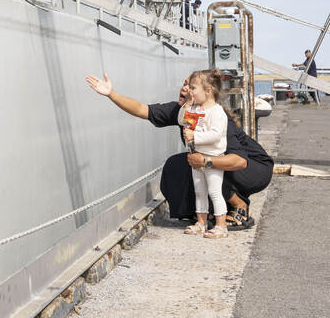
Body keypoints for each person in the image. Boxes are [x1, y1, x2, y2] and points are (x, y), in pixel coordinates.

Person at [85, 72, 273, 231]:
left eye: (191, 86)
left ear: (206, 93)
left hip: (255, 168)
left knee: (200, 167)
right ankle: (202, 215)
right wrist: (111, 94)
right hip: (223, 162)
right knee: (178, 165)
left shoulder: (216, 115)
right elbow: (142, 109)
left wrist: (205, 161)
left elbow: (240, 161)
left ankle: (239, 207)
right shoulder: (182, 110)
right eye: (185, 85)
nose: (185, 89)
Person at [179, 70, 229, 238]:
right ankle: (201, 222)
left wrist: (195, 136)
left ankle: (221, 226)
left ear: (208, 90)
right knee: (199, 191)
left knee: (215, 191)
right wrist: (187, 103)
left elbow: (216, 135)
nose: (189, 90)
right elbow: (181, 120)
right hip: (196, 158)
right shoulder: (194, 108)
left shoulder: (217, 112)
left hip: (212, 159)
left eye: (193, 88)